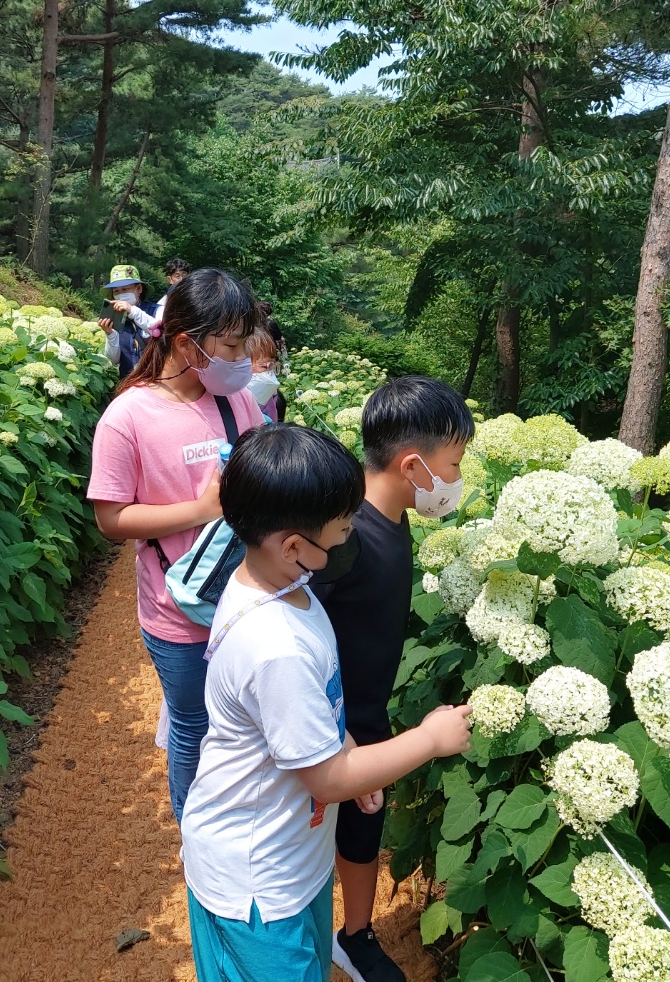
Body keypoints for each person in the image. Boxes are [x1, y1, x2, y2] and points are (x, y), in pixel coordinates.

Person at [181, 423, 472, 982]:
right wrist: (429, 740)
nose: (348, 540)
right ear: (294, 547)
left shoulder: (284, 587)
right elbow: (329, 779)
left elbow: (315, 721)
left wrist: (349, 748)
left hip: (295, 861)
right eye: (341, 530)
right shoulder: (276, 648)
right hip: (256, 887)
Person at [311, 376, 475, 982]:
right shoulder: (345, 538)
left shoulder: (393, 513)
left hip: (368, 707)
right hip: (328, 718)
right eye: (453, 464)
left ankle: (354, 934)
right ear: (413, 465)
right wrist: (340, 735)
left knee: (363, 827)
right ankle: (301, 933)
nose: (456, 480)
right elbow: (304, 632)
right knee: (312, 825)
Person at [87, 268, 263, 821]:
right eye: (231, 346)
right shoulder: (129, 416)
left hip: (245, 600)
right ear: (186, 343)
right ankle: (197, 836)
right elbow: (112, 519)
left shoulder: (237, 404)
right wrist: (202, 509)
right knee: (193, 724)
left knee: (245, 722)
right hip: (177, 611)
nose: (241, 361)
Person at [97, 264, 158, 379]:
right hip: (129, 385)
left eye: (125, 289)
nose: (121, 294)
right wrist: (110, 335)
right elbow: (113, 360)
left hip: (157, 383)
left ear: (139, 289)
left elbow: (162, 333)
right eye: (116, 291)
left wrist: (132, 311)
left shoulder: (157, 310)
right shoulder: (115, 319)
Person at [245, 329, 285, 423]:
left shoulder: (271, 393)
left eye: (273, 366)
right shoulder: (235, 398)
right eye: (264, 366)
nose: (269, 373)